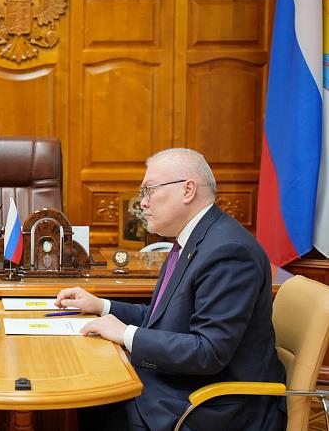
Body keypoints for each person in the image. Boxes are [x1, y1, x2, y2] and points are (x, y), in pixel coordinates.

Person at [56, 148, 286, 431]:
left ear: (187, 190)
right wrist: (102, 306)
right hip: (181, 385)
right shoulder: (192, 240)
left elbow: (208, 352)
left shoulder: (229, 251)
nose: (142, 202)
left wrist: (126, 334)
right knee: (93, 392)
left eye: (149, 190)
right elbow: (162, 319)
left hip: (213, 407)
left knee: (95, 397)